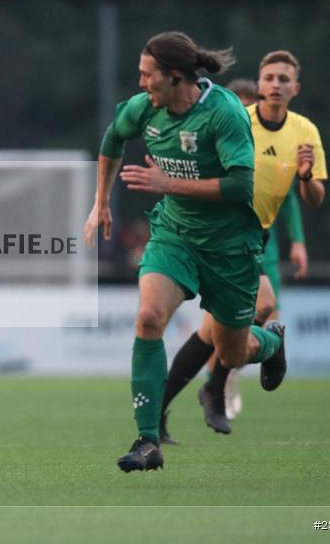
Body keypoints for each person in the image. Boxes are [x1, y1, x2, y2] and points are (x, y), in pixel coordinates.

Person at [84, 31, 286, 472]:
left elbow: (239, 186)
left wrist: (167, 184)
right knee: (149, 317)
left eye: (147, 75)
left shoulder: (224, 113)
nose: (140, 84)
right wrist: (100, 202)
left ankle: (271, 343)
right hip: (174, 234)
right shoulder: (145, 110)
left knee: (232, 354)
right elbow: (112, 139)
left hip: (230, 248)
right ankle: (146, 441)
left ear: (175, 77)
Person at [160, 51, 326, 440]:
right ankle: (216, 386)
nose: (275, 84)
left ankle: (172, 405)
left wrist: (306, 177)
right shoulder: (238, 121)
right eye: (269, 77)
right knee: (261, 307)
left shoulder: (305, 133)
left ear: (295, 89)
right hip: (220, 232)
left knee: (212, 332)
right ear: (260, 82)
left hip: (252, 238)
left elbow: (313, 197)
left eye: (284, 79)